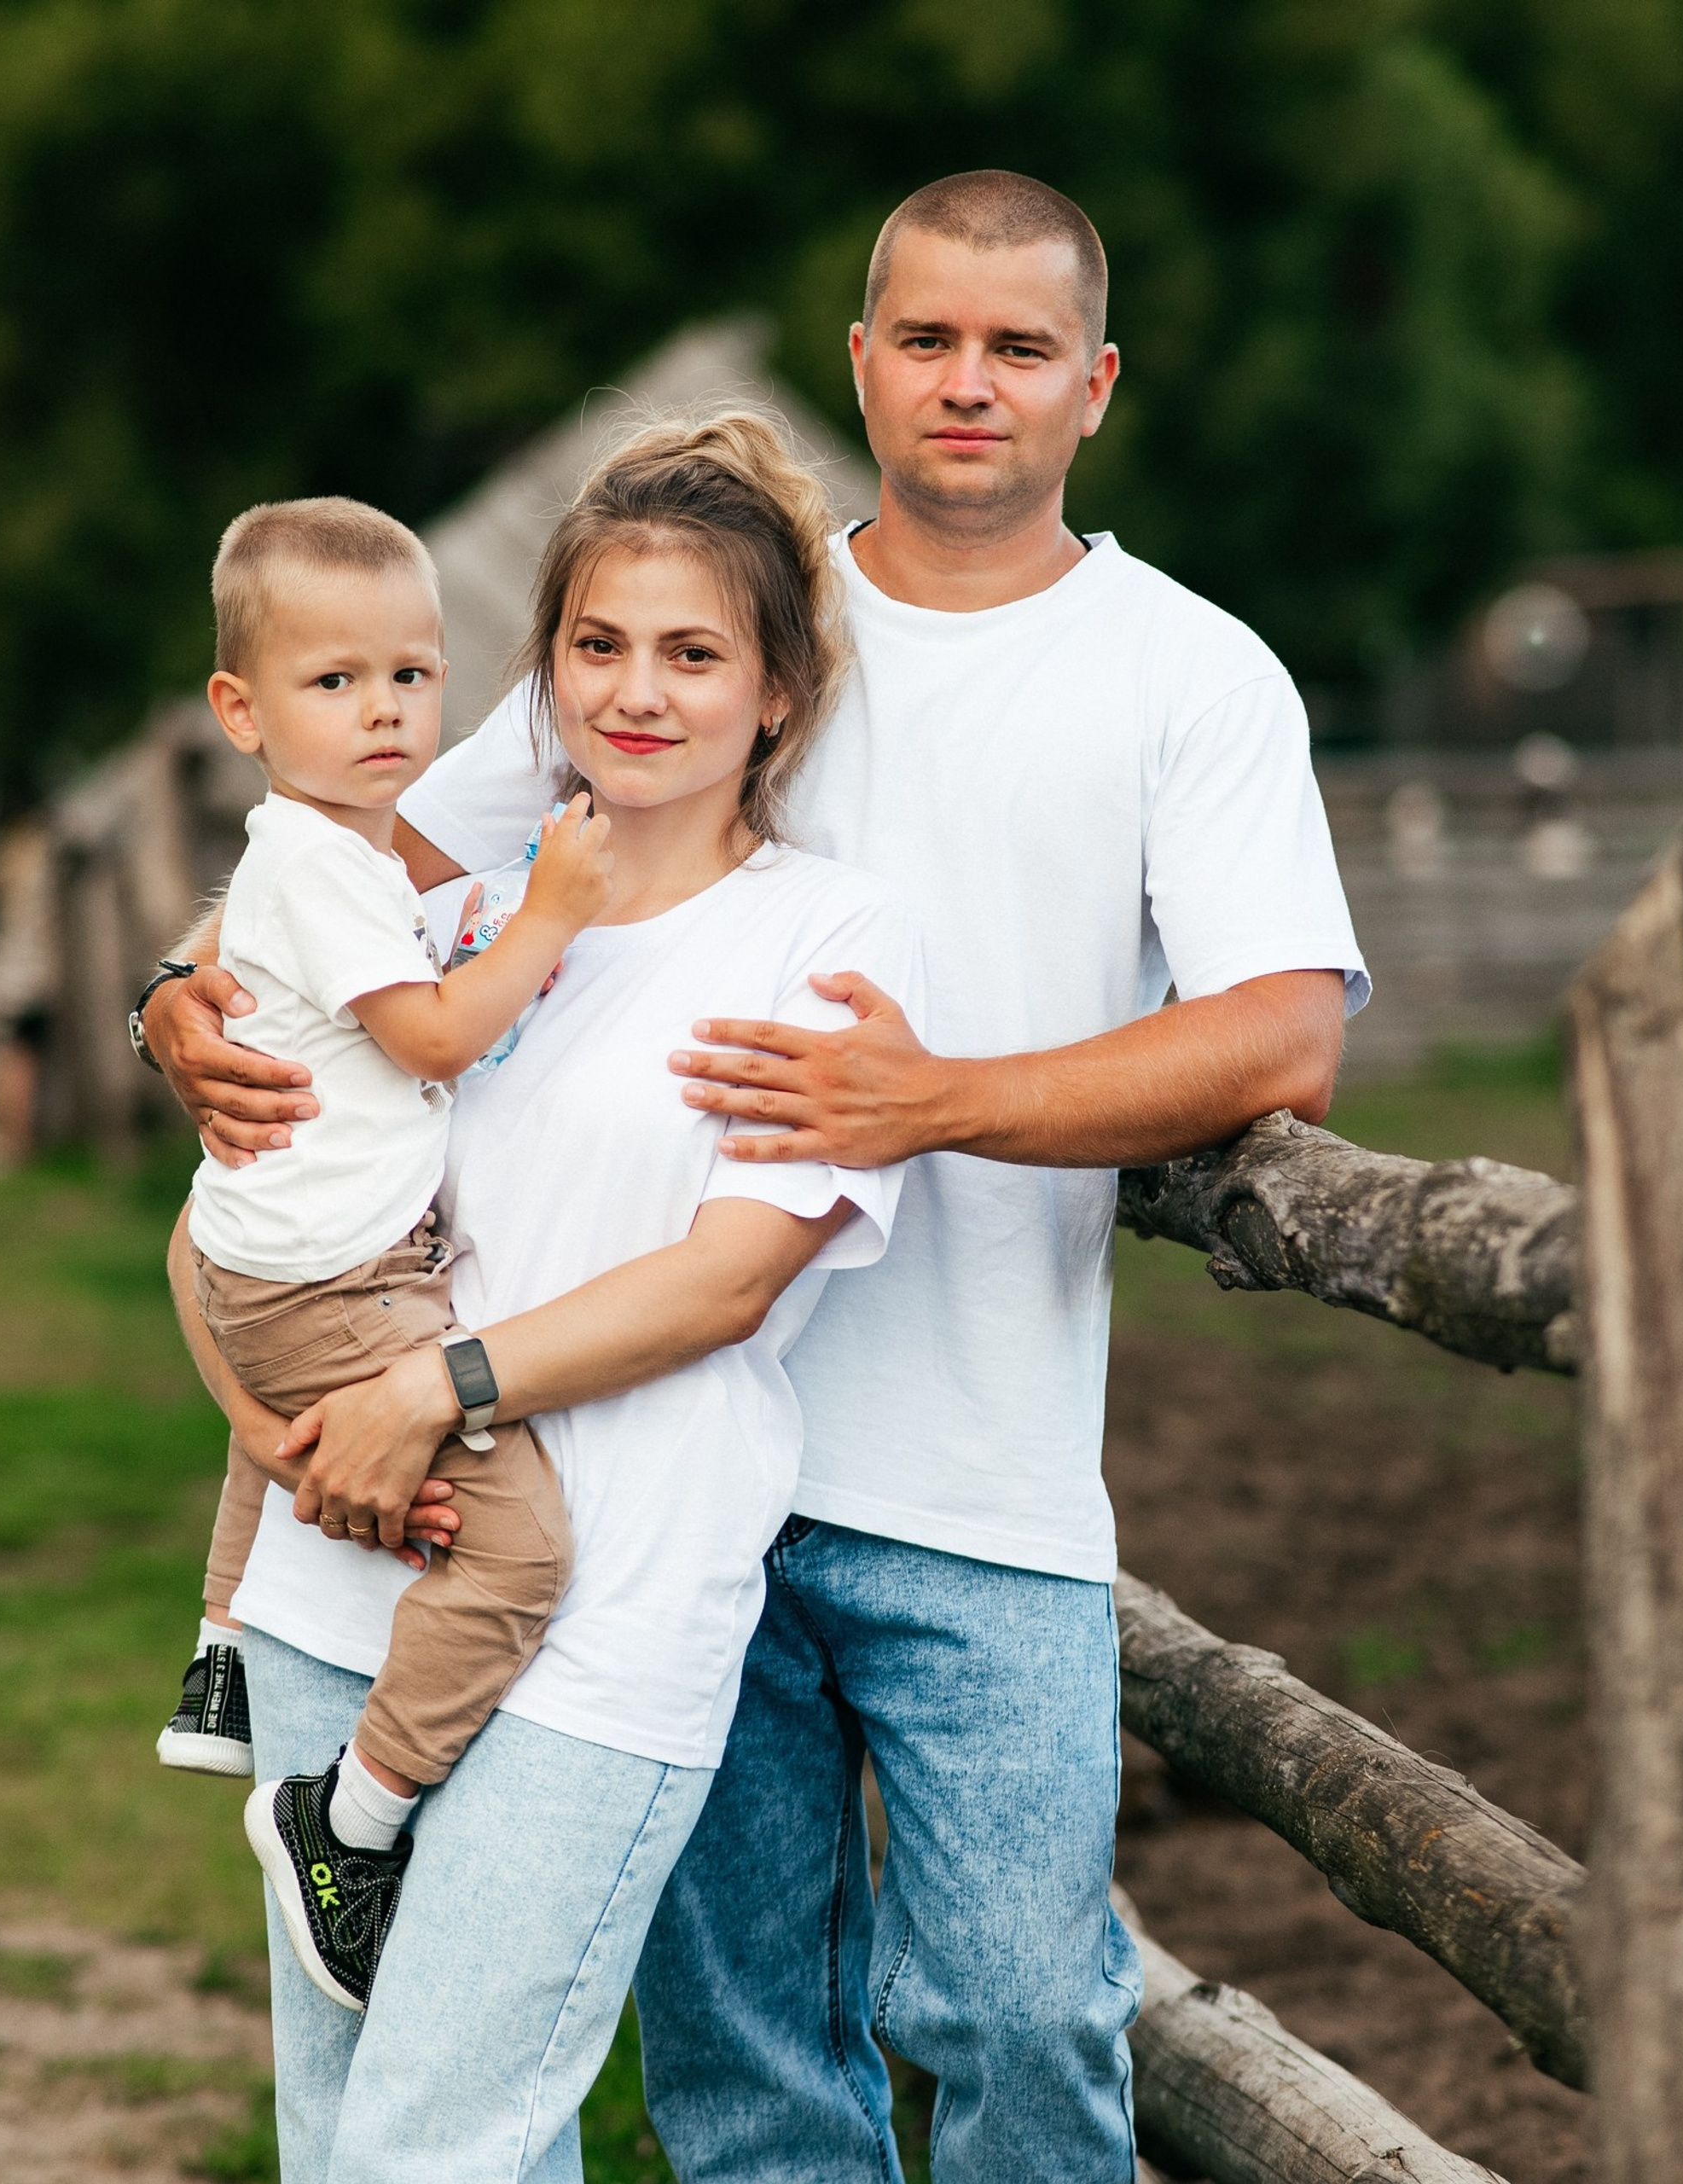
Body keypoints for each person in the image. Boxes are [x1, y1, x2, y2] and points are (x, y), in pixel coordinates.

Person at [146, 172, 1367, 2181]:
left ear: (1092, 384)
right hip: (664, 1484)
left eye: (1018, 347)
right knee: (741, 2061)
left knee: (1018, 2007)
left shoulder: (1186, 669)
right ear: (860, 357)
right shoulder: (700, 603)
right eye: (925, 337)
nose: (966, 381)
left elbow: (1280, 1035)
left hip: (968, 1462)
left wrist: (933, 1097)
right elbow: (356, 858)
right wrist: (169, 993)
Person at [164, 413, 924, 2179]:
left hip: (606, 1596)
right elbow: (240, 1213)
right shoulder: (459, 932)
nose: (636, 692)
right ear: (545, 670)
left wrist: (429, 1391)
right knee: (340, 2131)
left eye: (693, 654)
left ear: (779, 693)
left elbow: (727, 1279)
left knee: (437, 2142)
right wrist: (269, 1423)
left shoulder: (823, 939)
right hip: (340, 1564)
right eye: (597, 644)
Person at [152, 495, 621, 2018]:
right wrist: (547, 915)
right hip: (331, 1284)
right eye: (335, 682)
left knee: (282, 1432)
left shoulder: (323, 847)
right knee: (519, 1552)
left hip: (287, 1257)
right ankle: (346, 1825)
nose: (383, 712)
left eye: (411, 677)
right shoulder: (325, 865)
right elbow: (430, 1034)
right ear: (241, 712)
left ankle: (223, 1650)